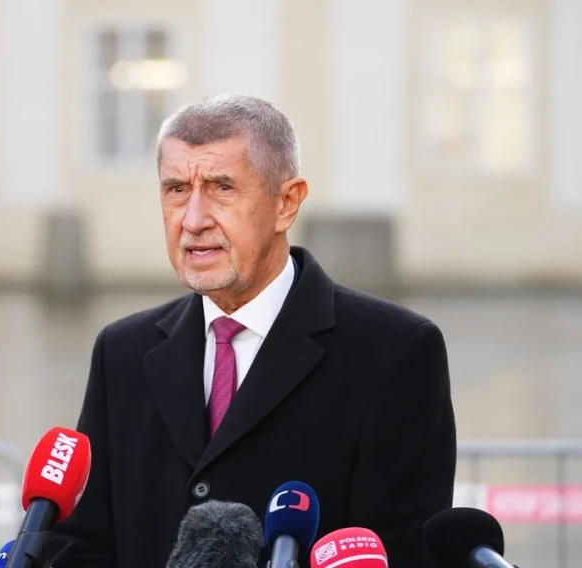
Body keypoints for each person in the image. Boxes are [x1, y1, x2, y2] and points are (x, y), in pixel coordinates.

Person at [42, 93, 456, 568]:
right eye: (176, 189)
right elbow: (80, 545)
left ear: (286, 203)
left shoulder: (395, 351)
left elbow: (404, 552)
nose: (193, 220)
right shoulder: (121, 352)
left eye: (221, 188)